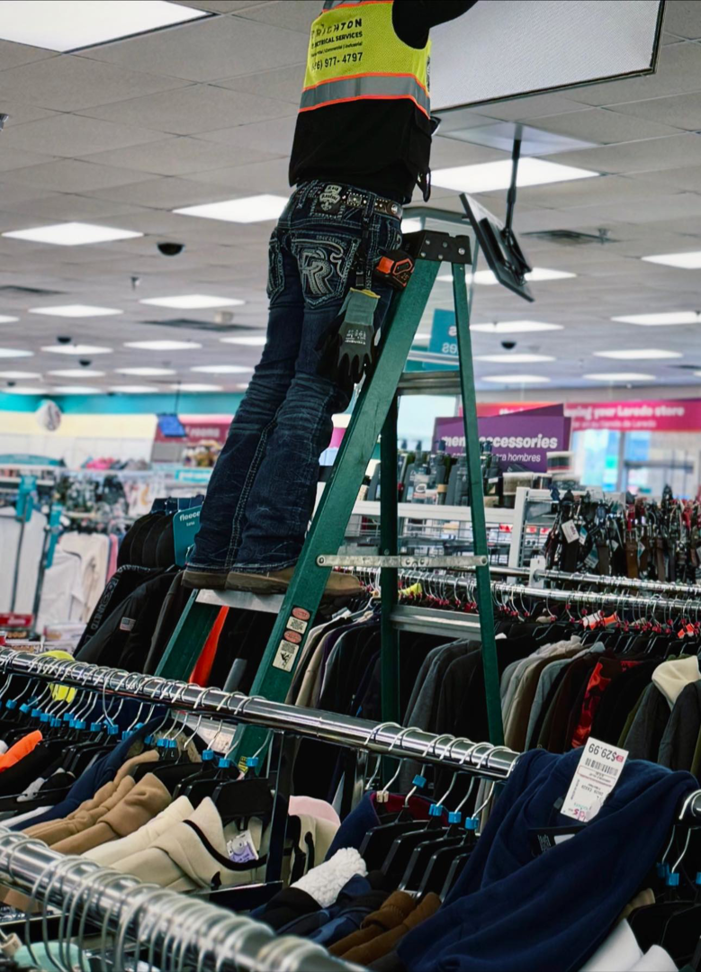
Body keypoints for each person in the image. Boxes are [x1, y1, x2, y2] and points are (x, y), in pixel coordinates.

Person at [184, 0, 478, 597]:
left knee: (273, 381)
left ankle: (216, 550)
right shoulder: (399, 10)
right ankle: (269, 551)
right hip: (356, 217)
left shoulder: (334, 11)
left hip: (301, 213)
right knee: (318, 382)